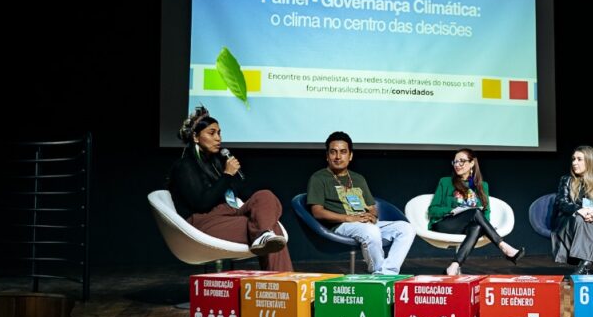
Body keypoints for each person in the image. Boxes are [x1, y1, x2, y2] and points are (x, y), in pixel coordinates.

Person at [168, 106, 293, 271]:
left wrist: (231, 174)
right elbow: (202, 203)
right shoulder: (185, 166)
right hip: (206, 221)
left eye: (219, 133)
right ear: (196, 137)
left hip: (231, 213)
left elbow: (237, 194)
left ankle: (262, 236)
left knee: (265, 195)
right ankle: (282, 281)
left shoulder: (217, 163)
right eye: (211, 133)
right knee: (273, 231)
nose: (218, 138)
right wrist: (227, 175)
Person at [307, 131, 414, 275]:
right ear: (327, 156)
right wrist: (349, 218)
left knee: (406, 228)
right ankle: (378, 273)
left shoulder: (358, 179)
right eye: (333, 152)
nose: (338, 157)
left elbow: (372, 207)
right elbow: (317, 212)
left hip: (363, 223)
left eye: (343, 152)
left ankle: (388, 272)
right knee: (371, 231)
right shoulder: (319, 178)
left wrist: (372, 216)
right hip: (341, 225)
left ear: (350, 156)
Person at [427, 148, 524, 276]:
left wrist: (485, 226)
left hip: (468, 225)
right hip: (445, 224)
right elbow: (432, 210)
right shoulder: (445, 182)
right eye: (455, 162)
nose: (457, 165)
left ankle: (453, 266)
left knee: (477, 226)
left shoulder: (482, 185)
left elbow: (486, 212)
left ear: (472, 163)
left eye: (461, 161)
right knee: (475, 212)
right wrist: (452, 210)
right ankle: (503, 246)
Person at [551, 146, 593, 275]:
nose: (574, 163)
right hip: (570, 220)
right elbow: (561, 202)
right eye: (573, 159)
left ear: (590, 161)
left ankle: (583, 263)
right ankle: (586, 262)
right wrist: (579, 210)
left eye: (579, 159)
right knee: (579, 219)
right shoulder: (567, 180)